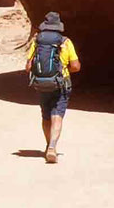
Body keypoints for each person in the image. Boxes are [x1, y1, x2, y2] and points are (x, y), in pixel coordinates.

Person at [24, 11, 80, 163]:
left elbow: (28, 67)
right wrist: (65, 68)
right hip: (61, 84)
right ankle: (53, 147)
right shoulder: (65, 42)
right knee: (57, 115)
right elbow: (75, 66)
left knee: (46, 115)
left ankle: (48, 144)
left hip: (42, 84)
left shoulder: (37, 41)